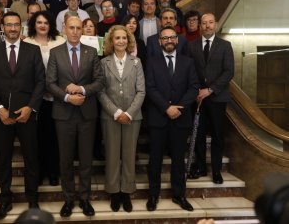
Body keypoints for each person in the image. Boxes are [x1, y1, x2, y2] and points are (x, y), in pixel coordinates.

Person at [0, 11, 45, 220]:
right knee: (4, 159)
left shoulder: (33, 51)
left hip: (27, 115)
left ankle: (33, 199)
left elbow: (40, 82)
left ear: (21, 27)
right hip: (2, 117)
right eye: (9, 25)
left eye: (16, 25)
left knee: (31, 158)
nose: (13, 29)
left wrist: (30, 108)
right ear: (3, 26)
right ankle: (5, 199)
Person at [46, 16, 105, 218]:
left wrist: (81, 89)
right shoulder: (55, 53)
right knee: (66, 160)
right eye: (71, 27)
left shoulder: (91, 52)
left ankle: (85, 198)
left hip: (87, 114)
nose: (74, 31)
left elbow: (99, 81)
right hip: (63, 114)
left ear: (82, 30)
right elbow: (50, 83)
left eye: (78, 28)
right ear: (64, 29)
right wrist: (67, 97)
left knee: (86, 160)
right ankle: (69, 198)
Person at [146, 26, 199, 212]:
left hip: (181, 118)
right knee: (155, 160)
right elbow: (150, 88)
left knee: (178, 159)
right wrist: (166, 107)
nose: (169, 40)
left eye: (172, 37)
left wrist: (179, 108)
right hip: (158, 118)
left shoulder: (188, 62)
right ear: (159, 41)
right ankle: (153, 195)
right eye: (165, 38)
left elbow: (193, 88)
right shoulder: (151, 62)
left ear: (177, 40)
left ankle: (179, 195)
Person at [98, 25, 145, 213]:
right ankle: (113, 192)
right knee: (111, 154)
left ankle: (126, 192)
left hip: (133, 117)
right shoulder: (103, 63)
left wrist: (129, 113)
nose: (121, 41)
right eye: (117, 38)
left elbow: (141, 91)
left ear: (129, 41)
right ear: (111, 41)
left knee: (128, 155)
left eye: (124, 38)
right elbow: (100, 91)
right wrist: (117, 113)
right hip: (110, 117)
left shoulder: (136, 62)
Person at [187, 13, 234, 185]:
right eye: (204, 23)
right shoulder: (192, 46)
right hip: (198, 98)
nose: (207, 26)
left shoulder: (225, 46)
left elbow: (229, 71)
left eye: (210, 23)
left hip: (217, 98)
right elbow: (189, 71)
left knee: (217, 135)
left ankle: (216, 170)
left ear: (216, 24)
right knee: (198, 134)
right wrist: (197, 90)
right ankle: (200, 167)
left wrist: (211, 89)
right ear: (200, 26)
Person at [24, 11, 66, 186]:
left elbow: (65, 68)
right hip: (34, 98)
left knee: (55, 137)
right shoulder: (26, 42)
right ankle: (40, 172)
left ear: (51, 25)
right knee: (37, 137)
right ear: (34, 24)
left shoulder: (60, 41)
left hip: (56, 96)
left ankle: (53, 172)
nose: (42, 25)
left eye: (46, 22)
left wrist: (55, 90)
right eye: (39, 22)